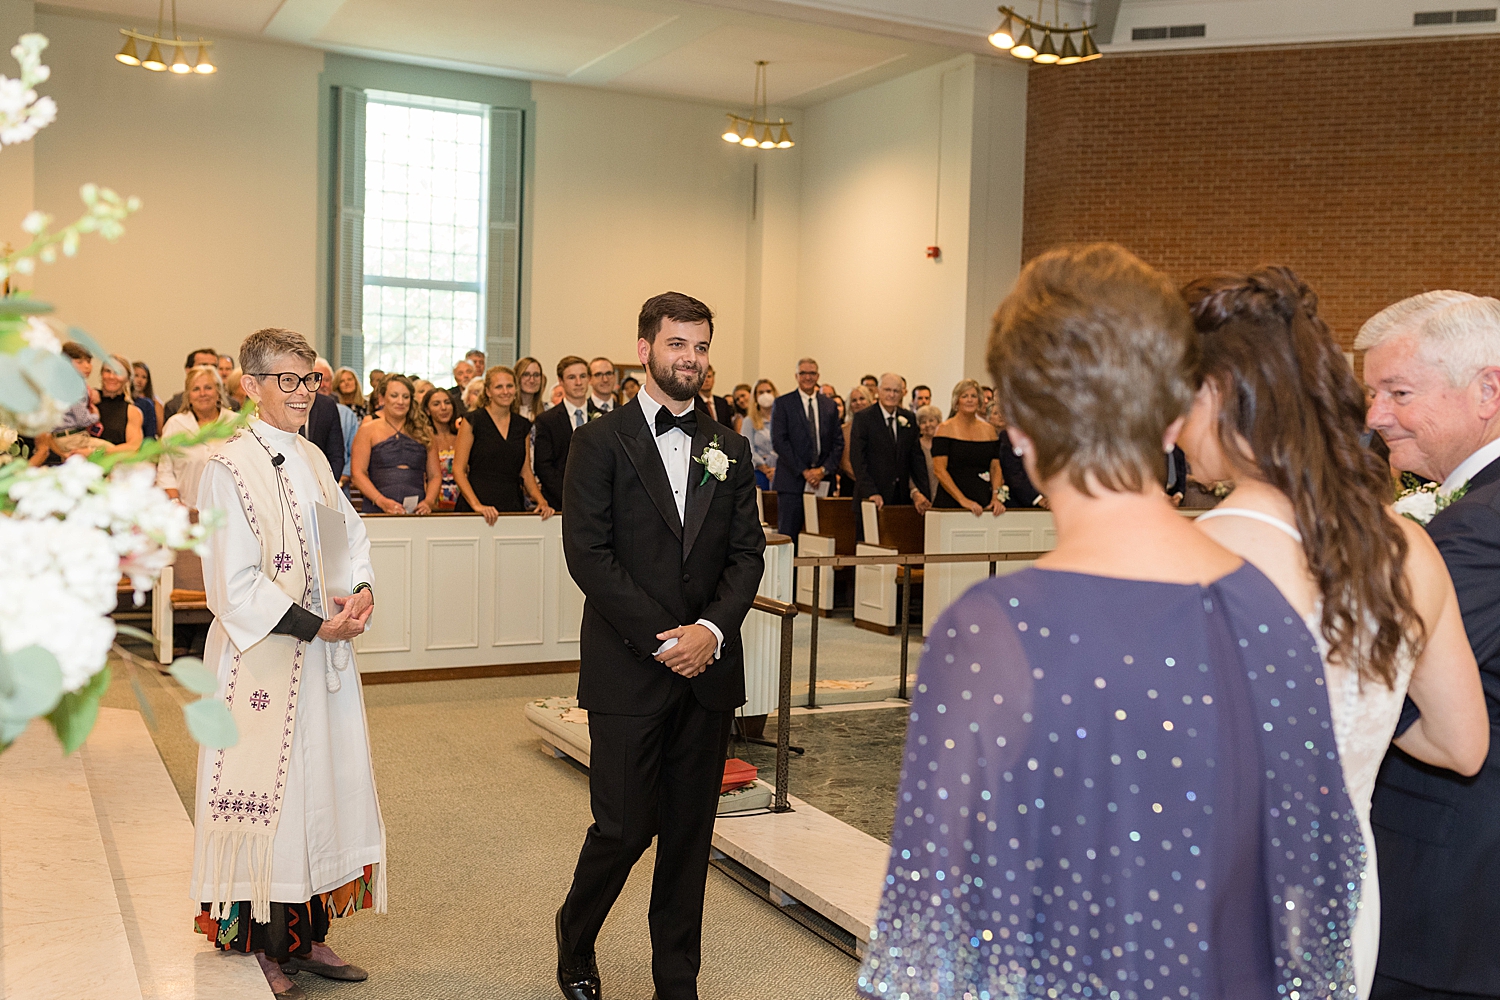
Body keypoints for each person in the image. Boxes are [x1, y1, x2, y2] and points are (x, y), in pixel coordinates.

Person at [859, 243, 1368, 1000]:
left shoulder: (993, 630)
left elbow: (931, 937)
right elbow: (1326, 883)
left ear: (1020, 427)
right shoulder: (1269, 609)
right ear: (1172, 416)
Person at [1177, 268, 1489, 996]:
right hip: (1344, 896)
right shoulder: (1407, 548)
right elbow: (1461, 745)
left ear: (1218, 395)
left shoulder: (1185, 556)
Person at [556, 291, 764, 1000]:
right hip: (627, 669)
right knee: (621, 827)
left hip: (706, 674)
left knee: (687, 836)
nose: (691, 360)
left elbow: (746, 558)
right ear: (644, 348)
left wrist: (708, 632)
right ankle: (576, 938)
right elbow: (588, 553)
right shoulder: (599, 441)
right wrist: (662, 639)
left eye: (702, 347)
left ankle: (676, 978)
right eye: (678, 344)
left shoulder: (727, 448)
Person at [190, 327, 384, 1000]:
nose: (304, 393)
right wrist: (314, 625)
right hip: (262, 663)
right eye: (289, 381)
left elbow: (345, 536)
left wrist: (359, 592)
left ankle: (309, 934)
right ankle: (261, 947)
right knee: (266, 802)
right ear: (251, 386)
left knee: (318, 792)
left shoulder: (312, 458)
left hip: (321, 662)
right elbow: (231, 584)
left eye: (311, 381)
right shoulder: (226, 465)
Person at [1355, 290, 1500, 1000]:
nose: (1377, 415)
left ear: (1488, 390)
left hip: (1449, 894)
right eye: (1373, 394)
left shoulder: (1477, 527)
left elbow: (1396, 688)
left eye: (1398, 391)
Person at [453, 366, 552, 523]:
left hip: (511, 504)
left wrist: (541, 501)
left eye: (509, 386)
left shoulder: (522, 425)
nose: (505, 391)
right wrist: (477, 505)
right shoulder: (472, 421)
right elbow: (458, 469)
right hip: (476, 505)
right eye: (499, 387)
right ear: (488, 391)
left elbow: (525, 472)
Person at [770, 357, 842, 538]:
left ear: (817, 376)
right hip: (791, 482)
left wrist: (822, 470)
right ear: (796, 376)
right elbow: (779, 441)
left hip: (822, 482)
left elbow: (838, 443)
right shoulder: (783, 404)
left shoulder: (830, 405)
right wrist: (804, 471)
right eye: (803, 373)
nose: (807, 377)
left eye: (812, 373)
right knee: (788, 538)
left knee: (821, 537)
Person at [350, 373, 439, 515]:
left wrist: (428, 502)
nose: (400, 402)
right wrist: (381, 501)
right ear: (382, 398)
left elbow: (435, 475)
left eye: (405, 397)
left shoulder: (425, 431)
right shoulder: (368, 430)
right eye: (394, 395)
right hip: (377, 508)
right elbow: (357, 473)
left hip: (417, 511)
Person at [156, 365, 235, 508]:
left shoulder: (235, 423)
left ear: (218, 392)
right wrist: (176, 503)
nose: (202, 393)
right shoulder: (175, 424)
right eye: (196, 389)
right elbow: (165, 472)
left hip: (231, 511)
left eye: (208, 388)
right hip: (188, 510)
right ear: (188, 396)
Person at [849, 372, 930, 511]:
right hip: (872, 496)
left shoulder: (908, 418)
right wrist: (871, 492)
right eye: (887, 390)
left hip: (901, 497)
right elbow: (858, 459)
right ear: (878, 391)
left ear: (902, 393)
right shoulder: (864, 418)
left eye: (896, 391)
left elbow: (916, 458)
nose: (892, 395)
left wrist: (921, 491)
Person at [930, 379, 1005, 514]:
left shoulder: (989, 430)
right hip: (950, 502)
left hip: (983, 501)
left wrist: (996, 497)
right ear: (956, 401)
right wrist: (963, 500)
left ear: (980, 401)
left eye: (973, 396)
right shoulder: (944, 429)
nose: (969, 400)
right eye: (964, 396)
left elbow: (995, 467)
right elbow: (939, 470)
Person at [532, 355, 592, 510]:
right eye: (572, 377)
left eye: (583, 376)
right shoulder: (547, 420)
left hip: (598, 502)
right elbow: (543, 465)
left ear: (589, 379)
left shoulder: (603, 417)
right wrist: (570, 496)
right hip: (560, 502)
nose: (578, 382)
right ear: (560, 381)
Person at [301, 360, 347, 479]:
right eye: (315, 379)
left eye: (326, 380)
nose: (321, 385)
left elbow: (336, 455)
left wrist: (327, 485)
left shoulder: (327, 406)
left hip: (322, 479)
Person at [421, 386, 463, 511]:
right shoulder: (424, 439)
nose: (443, 408)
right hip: (433, 502)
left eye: (447, 402)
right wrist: (428, 502)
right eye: (436, 404)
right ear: (427, 410)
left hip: (462, 500)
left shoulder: (462, 436)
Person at [96, 354, 144, 454]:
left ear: (127, 378)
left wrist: (94, 453)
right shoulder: (87, 403)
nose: (112, 377)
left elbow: (133, 447)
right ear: (101, 374)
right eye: (108, 371)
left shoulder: (132, 412)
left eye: (118, 372)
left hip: (116, 466)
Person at [163, 346, 221, 419]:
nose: (209, 370)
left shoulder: (233, 407)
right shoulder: (173, 407)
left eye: (214, 366)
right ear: (188, 370)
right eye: (203, 365)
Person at [745, 378, 778, 490]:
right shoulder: (749, 421)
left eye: (768, 391)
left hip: (780, 470)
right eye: (761, 392)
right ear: (755, 396)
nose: (765, 395)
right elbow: (747, 446)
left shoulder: (782, 419)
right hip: (758, 471)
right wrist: (764, 467)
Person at [914, 403, 940, 502]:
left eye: (931, 420)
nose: (928, 425)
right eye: (923, 422)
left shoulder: (944, 444)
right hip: (922, 499)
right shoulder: (915, 447)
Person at [132, 360, 164, 439]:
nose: (140, 380)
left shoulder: (155, 402)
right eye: (136, 375)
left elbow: (161, 432)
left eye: (144, 377)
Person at [515, 356, 549, 420]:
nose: (532, 380)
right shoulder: (506, 410)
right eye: (526, 374)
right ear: (517, 377)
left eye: (536, 375)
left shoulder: (548, 411)